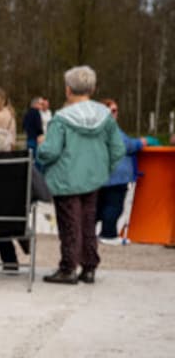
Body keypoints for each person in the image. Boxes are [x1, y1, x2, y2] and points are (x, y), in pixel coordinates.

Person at [36, 66, 126, 285]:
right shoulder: (105, 117)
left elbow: (51, 151)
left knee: (70, 224)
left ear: (68, 90)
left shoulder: (61, 119)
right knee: (87, 222)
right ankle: (89, 267)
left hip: (66, 179)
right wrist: (104, 169)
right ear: (93, 88)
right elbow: (118, 149)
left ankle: (68, 268)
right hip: (93, 178)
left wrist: (41, 148)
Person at [0, 126, 52, 271]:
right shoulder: (22, 163)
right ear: (9, 146)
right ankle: (17, 243)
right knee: (8, 207)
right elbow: (45, 194)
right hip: (16, 219)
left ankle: (10, 260)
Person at [95, 98, 145, 243]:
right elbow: (126, 145)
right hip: (116, 175)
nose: (116, 114)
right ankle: (108, 234)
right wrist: (142, 142)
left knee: (100, 206)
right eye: (113, 110)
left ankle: (90, 234)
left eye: (116, 110)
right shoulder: (110, 128)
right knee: (114, 206)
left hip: (102, 175)